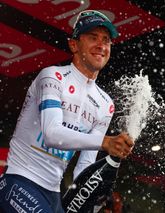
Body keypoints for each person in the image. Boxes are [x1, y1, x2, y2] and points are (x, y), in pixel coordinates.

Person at [0, 10, 134, 213]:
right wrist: (107, 142)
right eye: (92, 37)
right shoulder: (52, 76)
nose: (101, 45)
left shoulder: (106, 103)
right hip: (20, 179)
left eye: (106, 40)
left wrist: (87, 205)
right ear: (74, 44)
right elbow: (52, 134)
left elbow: (85, 166)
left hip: (54, 193)